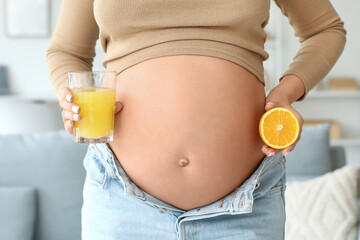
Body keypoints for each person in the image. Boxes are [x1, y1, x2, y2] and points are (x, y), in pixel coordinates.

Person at [46, 0, 346, 239]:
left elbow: (325, 30)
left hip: (246, 205)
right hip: (121, 201)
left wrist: (286, 93)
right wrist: (73, 97)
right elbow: (66, 51)